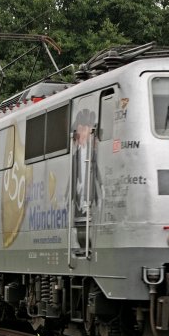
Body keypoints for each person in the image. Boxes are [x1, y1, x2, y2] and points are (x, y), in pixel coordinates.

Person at [71, 107, 101, 251]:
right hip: (78, 206)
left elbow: (98, 181)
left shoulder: (94, 155)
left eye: (86, 130)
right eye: (80, 130)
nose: (83, 134)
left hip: (89, 205)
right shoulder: (74, 155)